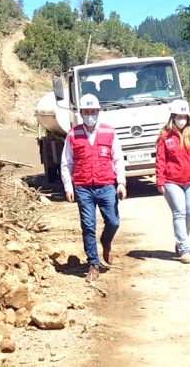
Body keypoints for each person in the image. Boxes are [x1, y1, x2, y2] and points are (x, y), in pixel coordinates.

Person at [61, 94, 127, 282]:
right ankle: (93, 264)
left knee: (113, 222)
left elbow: (118, 159)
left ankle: (106, 241)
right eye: (86, 112)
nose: (90, 115)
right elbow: (66, 162)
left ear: (98, 112)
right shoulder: (73, 134)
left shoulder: (109, 132)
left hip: (106, 185)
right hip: (83, 187)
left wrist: (121, 182)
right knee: (88, 226)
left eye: (93, 111)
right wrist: (68, 186)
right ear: (81, 113)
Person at [155, 99, 190, 264]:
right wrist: (160, 181)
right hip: (172, 181)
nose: (181, 119)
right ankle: (185, 249)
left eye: (184, 116)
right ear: (172, 117)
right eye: (178, 116)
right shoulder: (165, 136)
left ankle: (180, 240)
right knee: (179, 212)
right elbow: (160, 160)